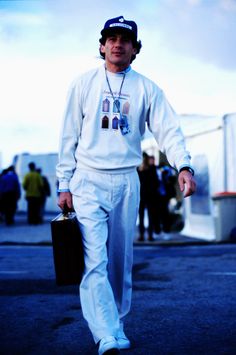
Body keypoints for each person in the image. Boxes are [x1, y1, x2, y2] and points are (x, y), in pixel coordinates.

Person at [56, 16, 196, 355]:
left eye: (125, 39)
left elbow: (169, 131)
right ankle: (104, 332)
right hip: (88, 179)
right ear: (102, 45)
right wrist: (64, 183)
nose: (118, 44)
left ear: (135, 49)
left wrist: (184, 165)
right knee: (95, 261)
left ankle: (116, 322)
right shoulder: (83, 83)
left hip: (125, 181)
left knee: (119, 261)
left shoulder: (147, 88)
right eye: (111, 38)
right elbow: (68, 135)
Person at [137, 152, 159, 242]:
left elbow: (155, 182)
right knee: (146, 216)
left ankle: (145, 235)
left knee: (146, 216)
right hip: (146, 196)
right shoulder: (146, 169)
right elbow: (155, 182)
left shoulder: (142, 170)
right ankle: (146, 235)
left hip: (147, 196)